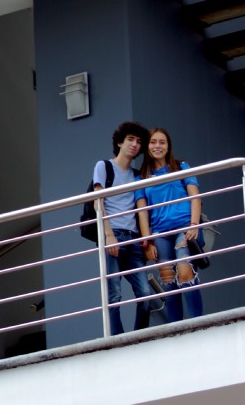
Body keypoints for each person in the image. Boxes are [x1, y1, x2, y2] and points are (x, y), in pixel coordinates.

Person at [135, 128, 203, 322]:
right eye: (153, 142)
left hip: (184, 227)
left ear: (168, 146)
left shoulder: (181, 166)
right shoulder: (141, 179)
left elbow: (195, 196)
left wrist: (194, 224)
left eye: (162, 142)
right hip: (159, 233)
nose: (158, 146)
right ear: (147, 147)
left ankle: (198, 322)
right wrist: (147, 242)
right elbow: (142, 212)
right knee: (168, 281)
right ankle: (176, 328)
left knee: (185, 272)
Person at [93, 121, 153, 335]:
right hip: (114, 235)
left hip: (134, 239)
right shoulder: (104, 166)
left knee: (145, 294)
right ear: (120, 142)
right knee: (114, 294)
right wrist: (109, 235)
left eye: (138, 142)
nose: (134, 145)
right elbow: (98, 201)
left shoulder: (137, 175)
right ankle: (117, 340)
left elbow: (142, 208)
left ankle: (138, 337)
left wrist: (147, 239)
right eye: (130, 140)